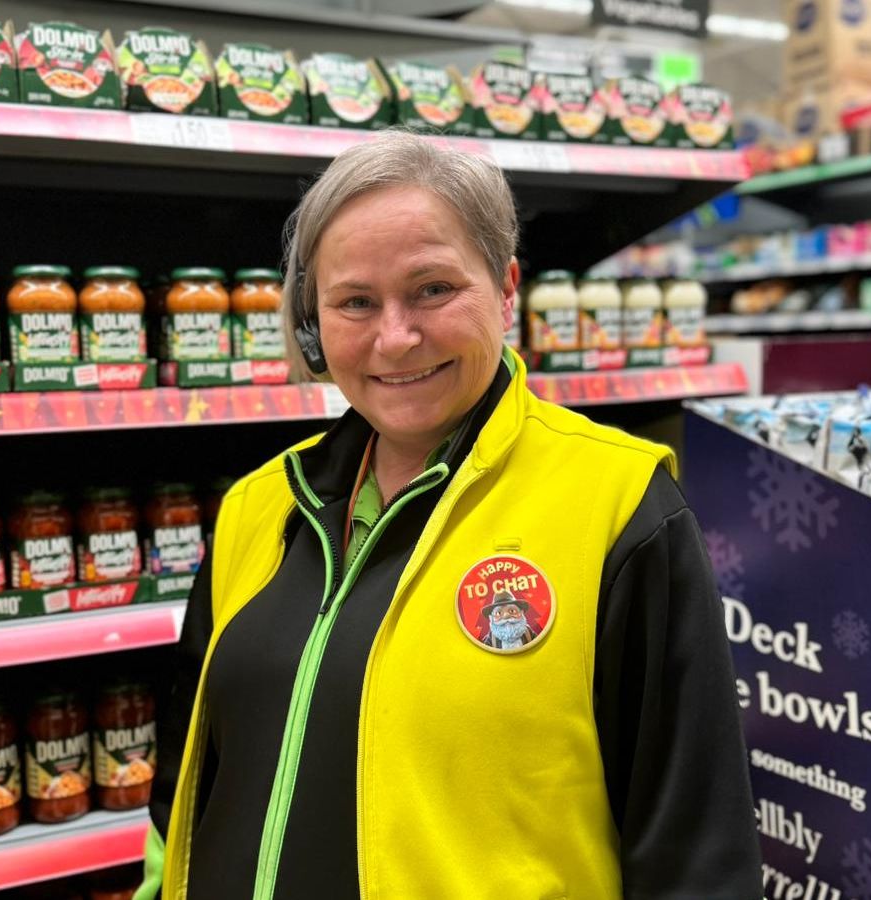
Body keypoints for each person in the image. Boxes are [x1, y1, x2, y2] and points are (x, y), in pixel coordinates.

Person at [137, 130, 761, 900]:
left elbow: (697, 854)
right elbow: (187, 784)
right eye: (355, 302)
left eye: (432, 289)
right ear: (312, 325)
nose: (395, 338)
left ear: (505, 290)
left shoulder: (620, 505)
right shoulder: (257, 508)